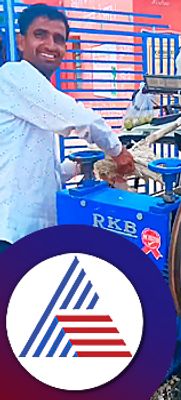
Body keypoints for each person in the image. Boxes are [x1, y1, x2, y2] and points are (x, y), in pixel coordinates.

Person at [0, 4, 135, 253]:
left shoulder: (35, 98)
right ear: (21, 41)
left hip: (30, 232)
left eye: (59, 39)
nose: (51, 46)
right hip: (11, 234)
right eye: (40, 35)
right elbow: (82, 119)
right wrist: (118, 152)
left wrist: (83, 165)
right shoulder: (14, 76)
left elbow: (37, 173)